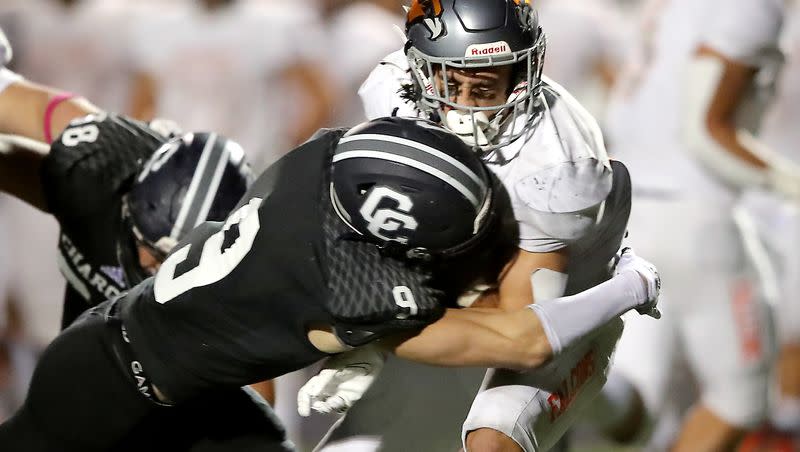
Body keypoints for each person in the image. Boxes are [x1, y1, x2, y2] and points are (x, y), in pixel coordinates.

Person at [0, 115, 660, 452]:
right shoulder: (338, 290)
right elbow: (522, 344)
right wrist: (630, 284)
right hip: (101, 391)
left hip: (181, 386)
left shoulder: (321, 158)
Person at [300, 1, 651, 451]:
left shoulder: (557, 164)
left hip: (557, 307)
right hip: (451, 290)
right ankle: (624, 414)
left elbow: (518, 334)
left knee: (493, 439)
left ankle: (625, 413)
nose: (463, 107)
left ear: (523, 75)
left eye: (484, 88)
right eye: (450, 82)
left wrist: (375, 332)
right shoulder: (393, 88)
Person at [606, 0, 791, 449]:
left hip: (628, 213)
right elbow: (704, 134)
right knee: (741, 401)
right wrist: (791, 185)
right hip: (697, 217)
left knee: (635, 408)